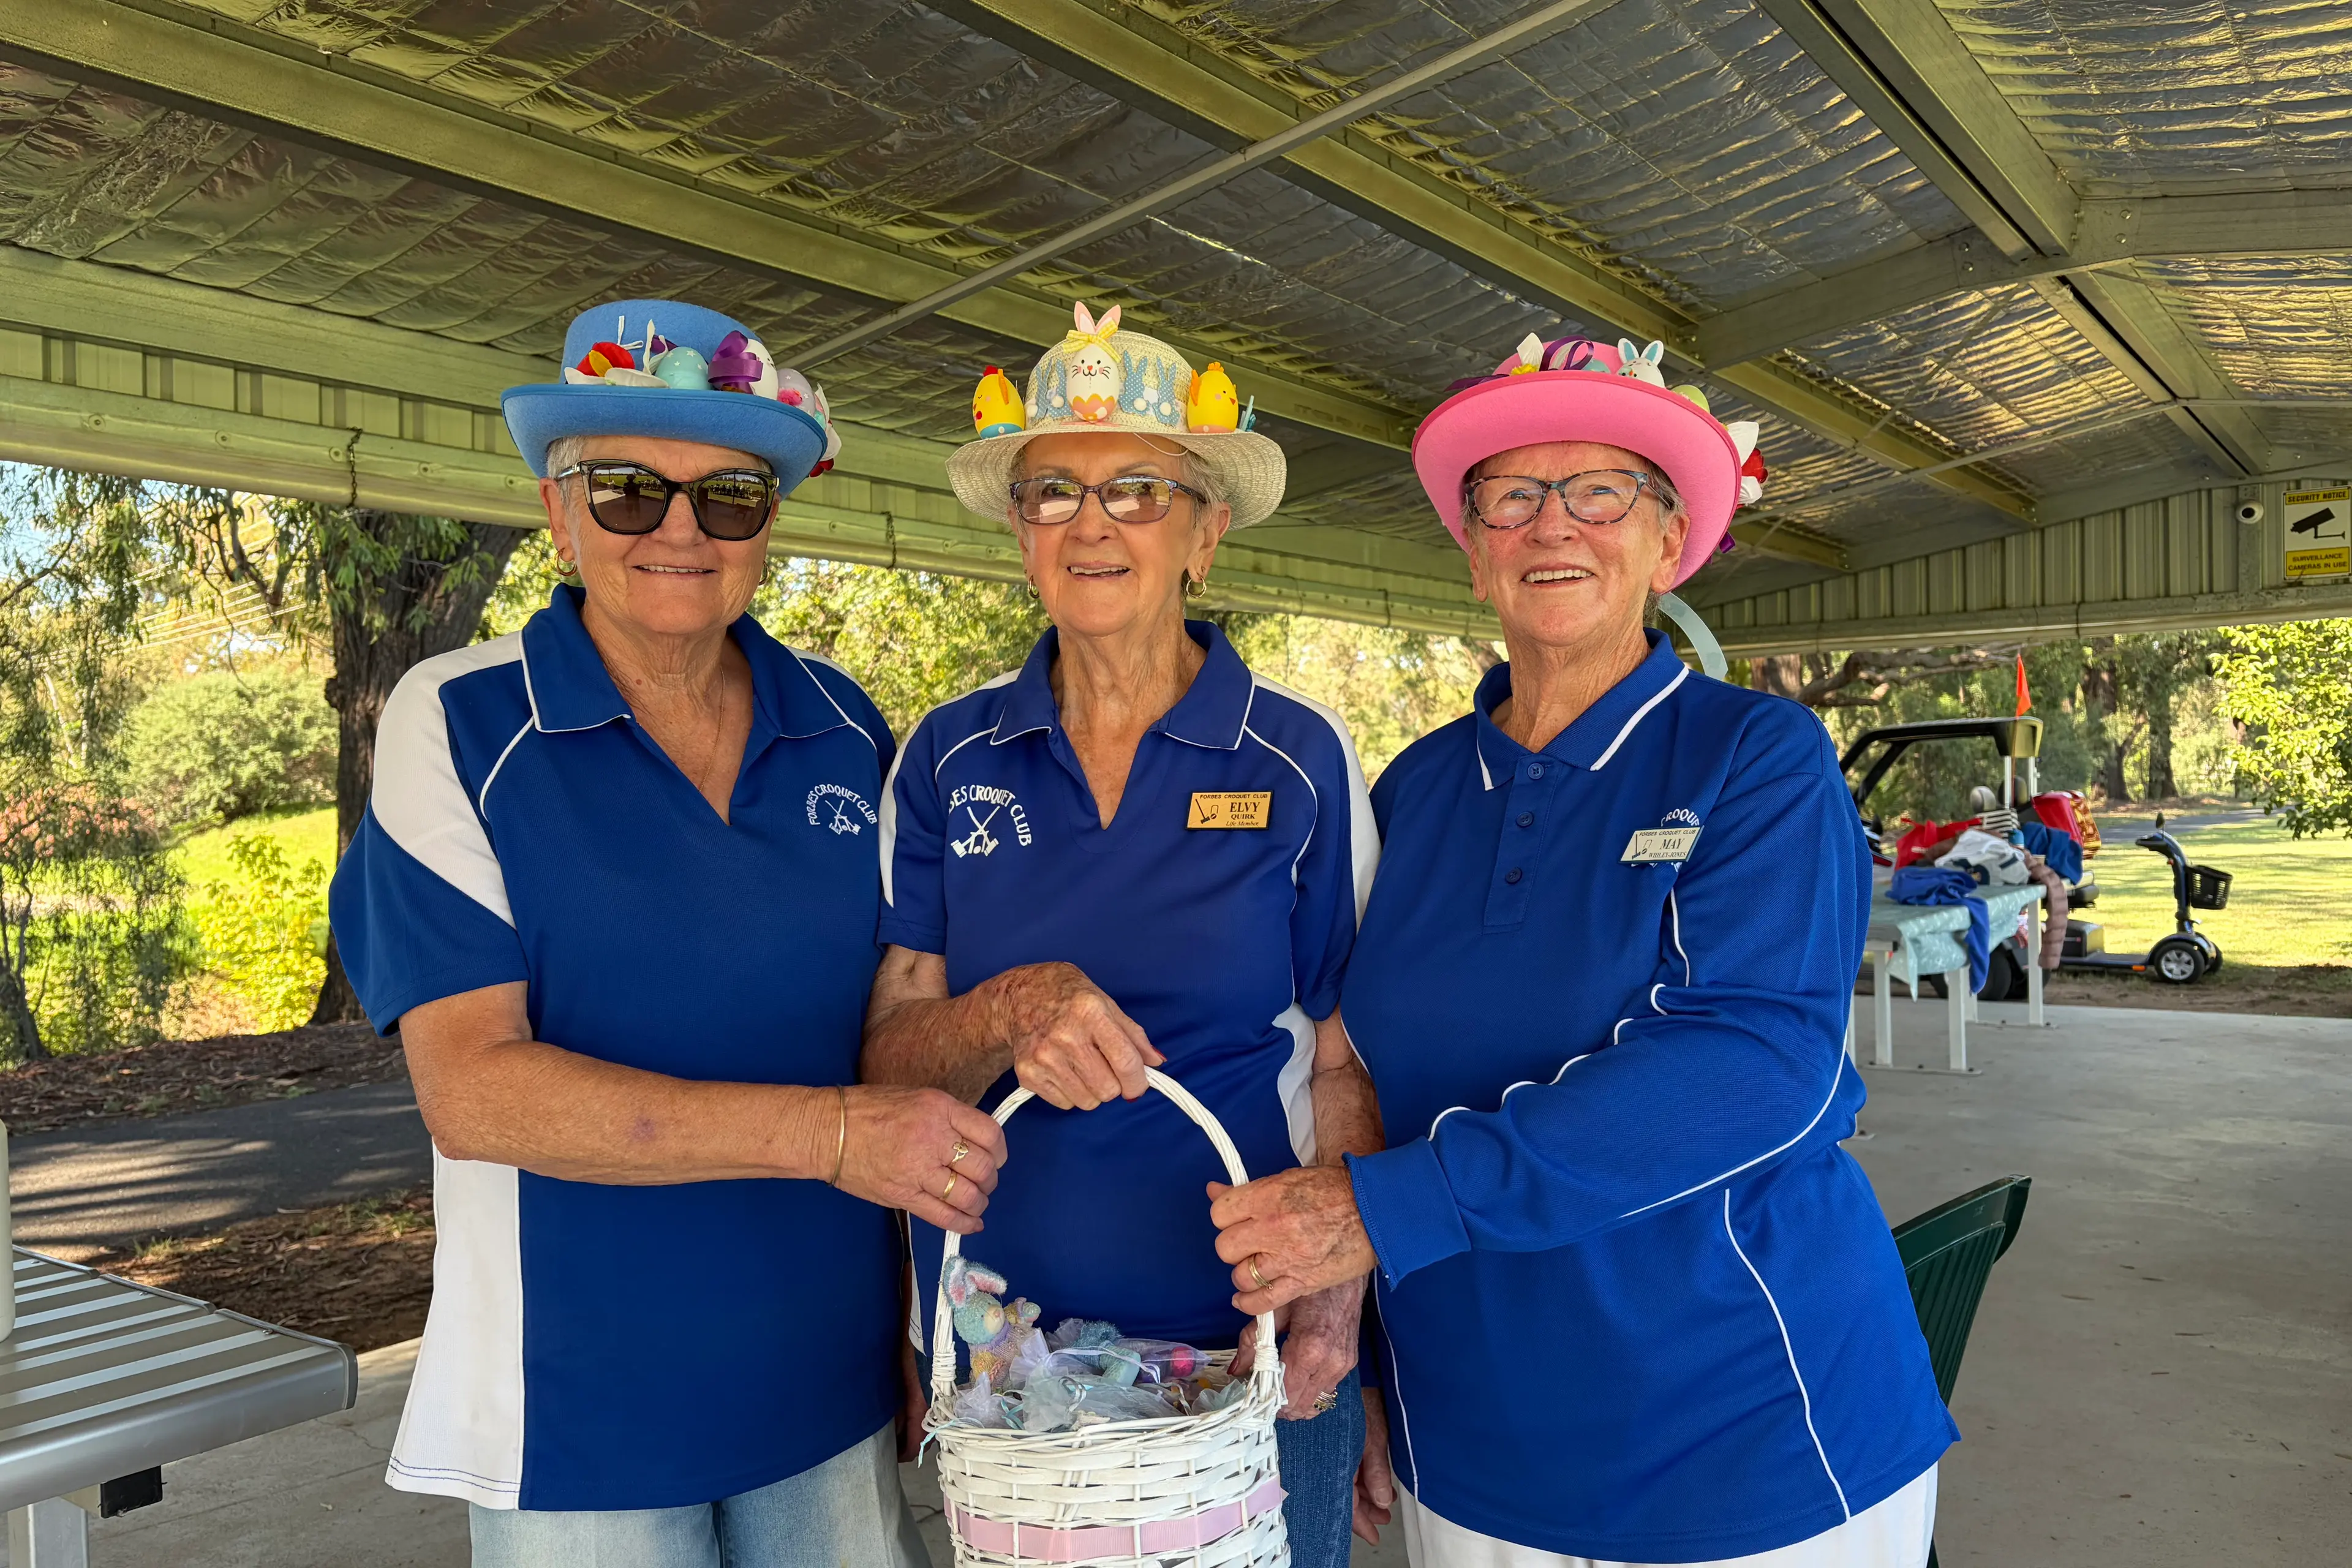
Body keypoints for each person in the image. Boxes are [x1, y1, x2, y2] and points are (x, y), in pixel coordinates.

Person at [1207, 335, 1954, 1567]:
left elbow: (1755, 1061)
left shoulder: (1757, 759)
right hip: (1478, 1452)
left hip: (1742, 1441)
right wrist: (1361, 1340)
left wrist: (1383, 1211)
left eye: (1602, 489)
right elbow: (1355, 1068)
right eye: (1513, 494)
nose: (1555, 523)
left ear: (1669, 544)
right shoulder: (1414, 790)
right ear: (1475, 543)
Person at [328, 298, 1006, 1568]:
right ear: (558, 509)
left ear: (770, 525)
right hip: (578, 1408)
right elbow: (473, 1090)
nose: (680, 529)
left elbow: (884, 1033)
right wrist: (831, 1135)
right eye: (630, 490)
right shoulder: (461, 723)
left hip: (826, 1383)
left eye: (730, 497)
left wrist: (920, 1318)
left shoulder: (849, 730)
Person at [862, 304, 1382, 1568]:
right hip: (1011, 1364)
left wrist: (1333, 1305)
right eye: (1054, 492)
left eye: (1139, 489)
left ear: (1205, 532)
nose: (1091, 521)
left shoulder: (1299, 758)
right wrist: (1004, 1010)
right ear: (1019, 531)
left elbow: (1347, 1060)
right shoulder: (944, 755)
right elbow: (886, 1063)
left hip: (1248, 1361)